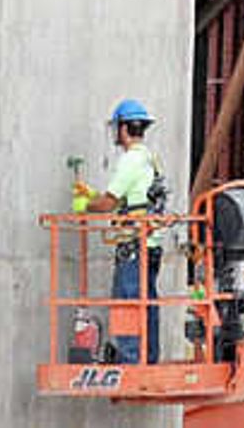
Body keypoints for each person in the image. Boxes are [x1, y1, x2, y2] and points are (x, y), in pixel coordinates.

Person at [78, 98, 166, 360]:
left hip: (133, 244)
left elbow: (108, 203)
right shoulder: (150, 159)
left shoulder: (130, 160)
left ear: (124, 128)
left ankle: (129, 358)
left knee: (127, 302)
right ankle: (147, 357)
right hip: (151, 243)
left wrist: (86, 204)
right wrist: (95, 195)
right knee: (146, 301)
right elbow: (134, 198)